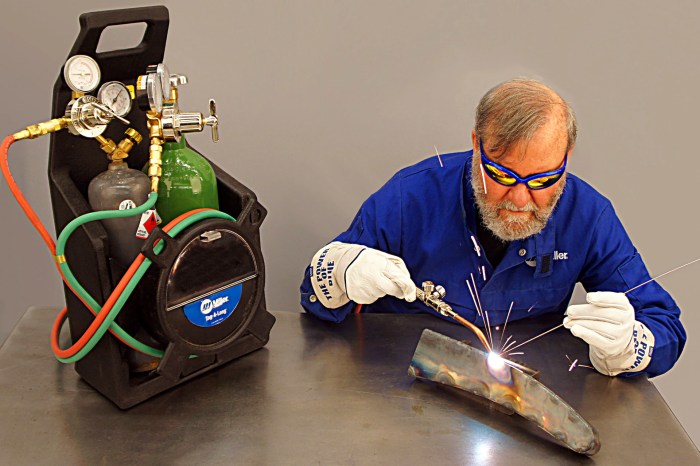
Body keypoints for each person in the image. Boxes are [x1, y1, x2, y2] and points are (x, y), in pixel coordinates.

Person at [299, 78, 685, 378]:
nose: (519, 200)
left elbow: (666, 327)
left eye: (541, 181)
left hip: (523, 401)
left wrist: (632, 346)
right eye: (501, 175)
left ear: (566, 161)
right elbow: (314, 297)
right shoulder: (410, 197)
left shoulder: (588, 216)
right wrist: (341, 274)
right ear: (476, 145)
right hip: (395, 389)